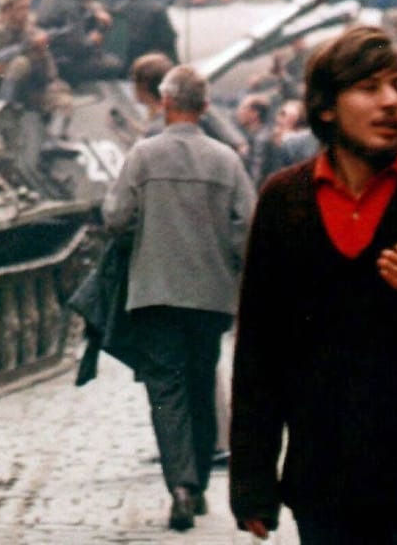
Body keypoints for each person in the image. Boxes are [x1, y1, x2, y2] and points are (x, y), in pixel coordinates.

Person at [230, 26, 397, 543]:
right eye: (369, 87)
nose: (391, 102)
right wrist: (252, 479)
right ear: (327, 107)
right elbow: (260, 351)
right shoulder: (284, 201)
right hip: (327, 482)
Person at [104, 65, 253, 532]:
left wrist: (142, 240)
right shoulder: (226, 160)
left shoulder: (144, 156)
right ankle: (202, 485)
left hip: (155, 291)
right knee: (201, 381)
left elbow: (114, 216)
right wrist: (230, 265)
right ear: (206, 107)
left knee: (166, 389)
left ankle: (181, 486)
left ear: (165, 104)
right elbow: (247, 224)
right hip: (210, 296)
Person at [115, 0, 178, 65]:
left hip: (123, 67)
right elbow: (169, 42)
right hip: (150, 67)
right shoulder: (157, 10)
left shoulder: (119, 9)